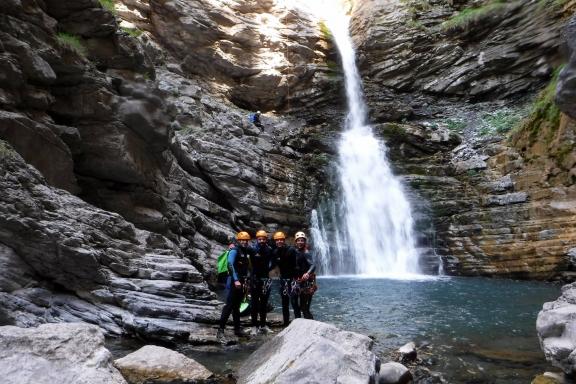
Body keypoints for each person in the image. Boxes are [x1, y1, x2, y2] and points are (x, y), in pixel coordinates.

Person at [217, 231, 254, 339]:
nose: (244, 242)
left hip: (242, 282)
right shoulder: (234, 250)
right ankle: (220, 330)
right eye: (242, 240)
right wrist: (236, 280)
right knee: (229, 305)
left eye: (246, 240)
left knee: (237, 306)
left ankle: (237, 329)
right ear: (238, 240)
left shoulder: (245, 250)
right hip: (235, 281)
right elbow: (230, 264)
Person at [271, 231, 300, 326]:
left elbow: (298, 264)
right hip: (283, 280)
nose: (279, 241)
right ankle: (286, 323)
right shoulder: (275, 252)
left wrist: (298, 278)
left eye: (281, 240)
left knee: (294, 302)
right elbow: (272, 265)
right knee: (284, 303)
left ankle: (299, 323)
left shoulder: (291, 250)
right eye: (277, 240)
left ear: (284, 240)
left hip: (292, 280)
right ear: (275, 241)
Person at [249, 230, 274, 335]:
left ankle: (263, 325)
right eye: (260, 239)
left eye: (263, 239)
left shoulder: (269, 249)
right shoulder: (252, 249)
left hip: (265, 279)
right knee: (254, 303)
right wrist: (232, 246)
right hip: (255, 279)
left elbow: (275, 260)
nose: (262, 241)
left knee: (264, 303)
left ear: (266, 239)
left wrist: (269, 269)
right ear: (257, 239)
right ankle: (254, 326)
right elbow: (242, 250)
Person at [292, 231, 316, 319]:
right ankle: (297, 323)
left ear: (304, 242)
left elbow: (313, 265)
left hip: (305, 283)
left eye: (302, 240)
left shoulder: (306, 252)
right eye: (298, 240)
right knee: (294, 304)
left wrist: (307, 273)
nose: (300, 242)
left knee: (304, 307)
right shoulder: (293, 252)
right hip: (295, 282)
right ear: (295, 242)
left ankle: (310, 325)